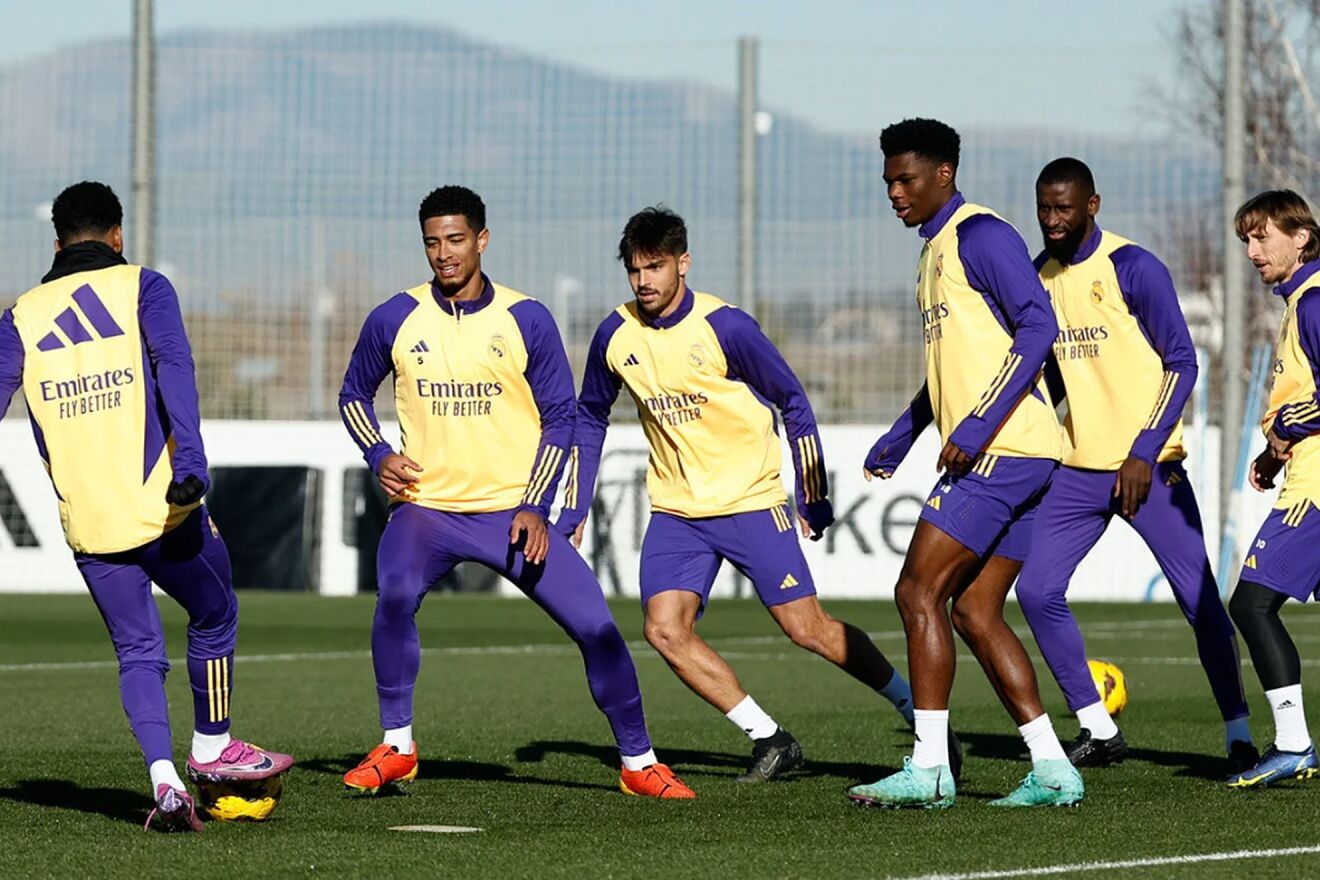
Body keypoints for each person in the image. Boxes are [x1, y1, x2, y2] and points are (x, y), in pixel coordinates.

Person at [337, 185, 693, 799]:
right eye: (431, 242)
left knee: (597, 629)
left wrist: (536, 504)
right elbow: (350, 396)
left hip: (513, 515)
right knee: (393, 593)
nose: (443, 254)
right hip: (428, 510)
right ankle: (397, 746)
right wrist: (379, 454)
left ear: (482, 239)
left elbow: (563, 418)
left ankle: (639, 763)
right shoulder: (394, 317)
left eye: (455, 240)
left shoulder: (526, 318)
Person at [556, 206, 915, 783]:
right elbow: (590, 416)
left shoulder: (728, 327)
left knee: (807, 629)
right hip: (677, 512)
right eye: (634, 269)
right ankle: (770, 738)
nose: (644, 280)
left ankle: (913, 708)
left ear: (683, 262)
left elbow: (793, 401)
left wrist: (812, 493)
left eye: (655, 266)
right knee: (664, 628)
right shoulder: (614, 336)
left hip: (750, 502)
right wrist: (574, 507)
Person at [0, 181, 293, 832]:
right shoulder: (143, 287)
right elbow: (174, 367)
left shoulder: (21, 316)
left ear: (56, 242)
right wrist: (191, 464)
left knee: (138, 652)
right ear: (117, 235)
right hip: (164, 505)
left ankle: (164, 784)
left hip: (90, 521)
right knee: (215, 613)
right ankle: (213, 748)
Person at [846, 119, 1082, 809]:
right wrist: (903, 433)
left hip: (1004, 452)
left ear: (943, 173)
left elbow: (1040, 326)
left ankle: (930, 769)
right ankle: (1053, 767)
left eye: (905, 179)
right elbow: (956, 370)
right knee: (976, 611)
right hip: (1023, 453)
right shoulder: (935, 252)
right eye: (888, 180)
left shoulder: (982, 235)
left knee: (917, 594)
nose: (894, 192)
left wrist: (977, 426)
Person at [1016, 157, 1254, 773]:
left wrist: (1144, 451)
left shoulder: (1133, 267)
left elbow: (1183, 362)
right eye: (1044, 208)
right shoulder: (1037, 276)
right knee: (1038, 591)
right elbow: (1044, 377)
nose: (1052, 219)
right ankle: (1097, 727)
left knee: (1200, 602)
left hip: (1151, 471)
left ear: (1092, 205)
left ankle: (1239, 735)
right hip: (1077, 469)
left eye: (1064, 207)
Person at [1224, 189, 1320, 788]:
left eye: (1262, 237)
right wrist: (1273, 449)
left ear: (1301, 237)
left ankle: (1293, 744)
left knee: (1251, 604)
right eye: (1247, 241)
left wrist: (1286, 426)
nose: (1253, 251)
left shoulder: (1313, 302)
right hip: (1304, 471)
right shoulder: (1298, 304)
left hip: (1316, 491)